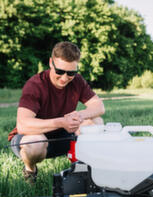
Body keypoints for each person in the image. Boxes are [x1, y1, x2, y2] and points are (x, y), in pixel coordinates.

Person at [8, 41, 105, 184]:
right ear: (50, 63)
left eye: (71, 73)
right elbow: (23, 125)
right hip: (31, 141)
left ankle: (80, 172)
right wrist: (61, 122)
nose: (64, 78)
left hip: (62, 137)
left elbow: (99, 107)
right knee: (35, 143)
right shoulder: (35, 85)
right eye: (59, 71)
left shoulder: (77, 81)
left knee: (96, 122)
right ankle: (30, 170)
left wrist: (78, 116)